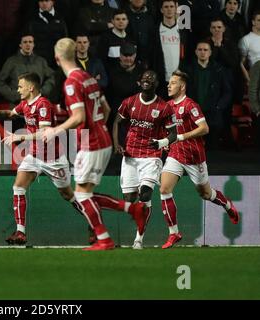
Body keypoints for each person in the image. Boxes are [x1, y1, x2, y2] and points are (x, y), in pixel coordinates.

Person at [0, 72, 146, 245]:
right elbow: (11, 113)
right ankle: (20, 232)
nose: (18, 89)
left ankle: (94, 224)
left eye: (20, 86)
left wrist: (18, 137)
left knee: (70, 196)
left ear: (31, 87)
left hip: (53, 159)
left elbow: (44, 133)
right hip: (34, 156)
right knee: (18, 187)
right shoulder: (25, 104)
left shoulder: (43, 105)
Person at [42, 38, 148, 251]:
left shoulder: (71, 82)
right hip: (103, 137)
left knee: (80, 195)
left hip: (92, 143)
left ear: (56, 58)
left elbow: (80, 116)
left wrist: (55, 130)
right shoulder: (88, 78)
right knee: (84, 193)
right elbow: (106, 109)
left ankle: (105, 238)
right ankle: (133, 209)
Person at [159, 70, 240, 248]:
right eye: (169, 82)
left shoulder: (190, 105)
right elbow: (169, 130)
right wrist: (167, 141)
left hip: (194, 157)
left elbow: (204, 128)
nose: (169, 85)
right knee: (164, 188)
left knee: (205, 194)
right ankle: (174, 233)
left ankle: (227, 204)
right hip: (175, 155)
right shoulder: (167, 106)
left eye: (173, 83)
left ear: (182, 86)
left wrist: (182, 137)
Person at [112, 70, 178, 249]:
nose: (147, 79)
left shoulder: (164, 107)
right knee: (129, 198)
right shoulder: (129, 102)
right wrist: (117, 144)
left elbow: (174, 133)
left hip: (151, 156)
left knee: (146, 193)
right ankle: (139, 219)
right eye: (144, 77)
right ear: (139, 82)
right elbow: (117, 122)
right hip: (131, 156)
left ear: (157, 84)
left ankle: (138, 238)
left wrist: (162, 142)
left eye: (151, 78)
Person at [0, 33, 56, 106]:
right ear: (20, 45)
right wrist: (14, 95)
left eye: (30, 42)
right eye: (25, 42)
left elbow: (52, 77)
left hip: (38, 104)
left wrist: (42, 92)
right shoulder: (12, 61)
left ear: (33, 44)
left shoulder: (41, 61)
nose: (28, 45)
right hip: (18, 105)